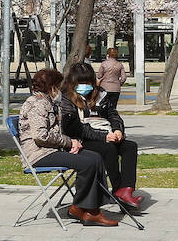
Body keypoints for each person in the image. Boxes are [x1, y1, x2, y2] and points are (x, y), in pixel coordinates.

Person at [16, 68, 111, 226]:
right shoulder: (37, 104)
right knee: (87, 164)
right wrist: (68, 142)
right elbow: (41, 136)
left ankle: (92, 208)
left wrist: (73, 142)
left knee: (95, 157)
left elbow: (56, 131)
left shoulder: (47, 101)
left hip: (52, 149)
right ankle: (81, 208)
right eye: (58, 86)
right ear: (52, 87)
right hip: (39, 154)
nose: (60, 90)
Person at [57, 62, 143, 207]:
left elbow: (113, 114)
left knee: (130, 146)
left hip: (106, 134)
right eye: (81, 82)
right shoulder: (66, 98)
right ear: (73, 82)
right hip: (80, 140)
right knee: (109, 148)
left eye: (88, 82)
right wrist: (103, 136)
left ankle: (126, 189)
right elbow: (74, 128)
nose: (85, 86)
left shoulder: (101, 94)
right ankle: (118, 190)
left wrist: (118, 129)